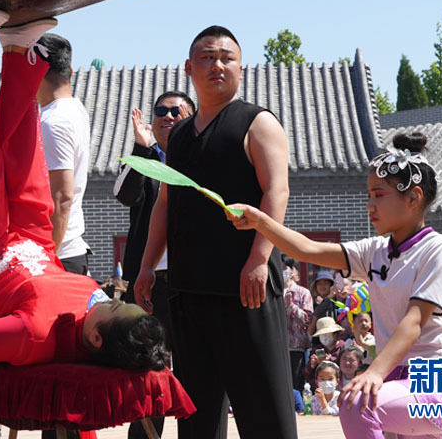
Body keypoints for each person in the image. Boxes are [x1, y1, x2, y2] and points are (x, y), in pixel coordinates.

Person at [0, 9, 166, 372]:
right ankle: (17, 51)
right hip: (35, 245)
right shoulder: (94, 301)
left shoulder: (34, 335)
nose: (109, 299)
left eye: (115, 306)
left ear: (97, 338)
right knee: (28, 168)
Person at [225, 132, 442, 438]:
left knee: (357, 402)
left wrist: (373, 373)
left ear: (414, 197)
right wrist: (262, 222)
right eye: (369, 195)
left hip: (431, 384)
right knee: (359, 402)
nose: (370, 205)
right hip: (396, 384)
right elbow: (308, 249)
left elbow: (413, 322)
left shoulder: (439, 249)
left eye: (379, 195)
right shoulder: (376, 251)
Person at [134, 25, 296, 439]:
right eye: (207, 57)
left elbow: (276, 191)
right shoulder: (180, 137)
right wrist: (147, 266)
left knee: (265, 412)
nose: (217, 65)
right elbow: (165, 204)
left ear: (241, 68)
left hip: (247, 288)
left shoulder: (257, 123)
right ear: (189, 67)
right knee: (197, 415)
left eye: (227, 57)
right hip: (189, 292)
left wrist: (259, 260)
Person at [114, 90, 194, 439]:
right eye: (161, 111)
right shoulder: (144, 159)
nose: (168, 116)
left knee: (194, 365)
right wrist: (142, 150)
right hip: (147, 280)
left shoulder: (201, 157)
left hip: (191, 275)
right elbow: (124, 195)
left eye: (177, 111)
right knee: (148, 363)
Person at [36, 34, 91, 275]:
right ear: (68, 69)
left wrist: (48, 257)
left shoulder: (52, 121)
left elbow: (61, 197)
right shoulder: (75, 108)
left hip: (58, 253)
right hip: (68, 247)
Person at [279, 256, 314, 390]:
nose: (281, 271)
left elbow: (307, 320)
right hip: (276, 345)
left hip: (296, 347)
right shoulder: (271, 292)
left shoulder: (302, 292)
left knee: (295, 385)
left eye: (284, 268)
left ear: (293, 270)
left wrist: (291, 306)